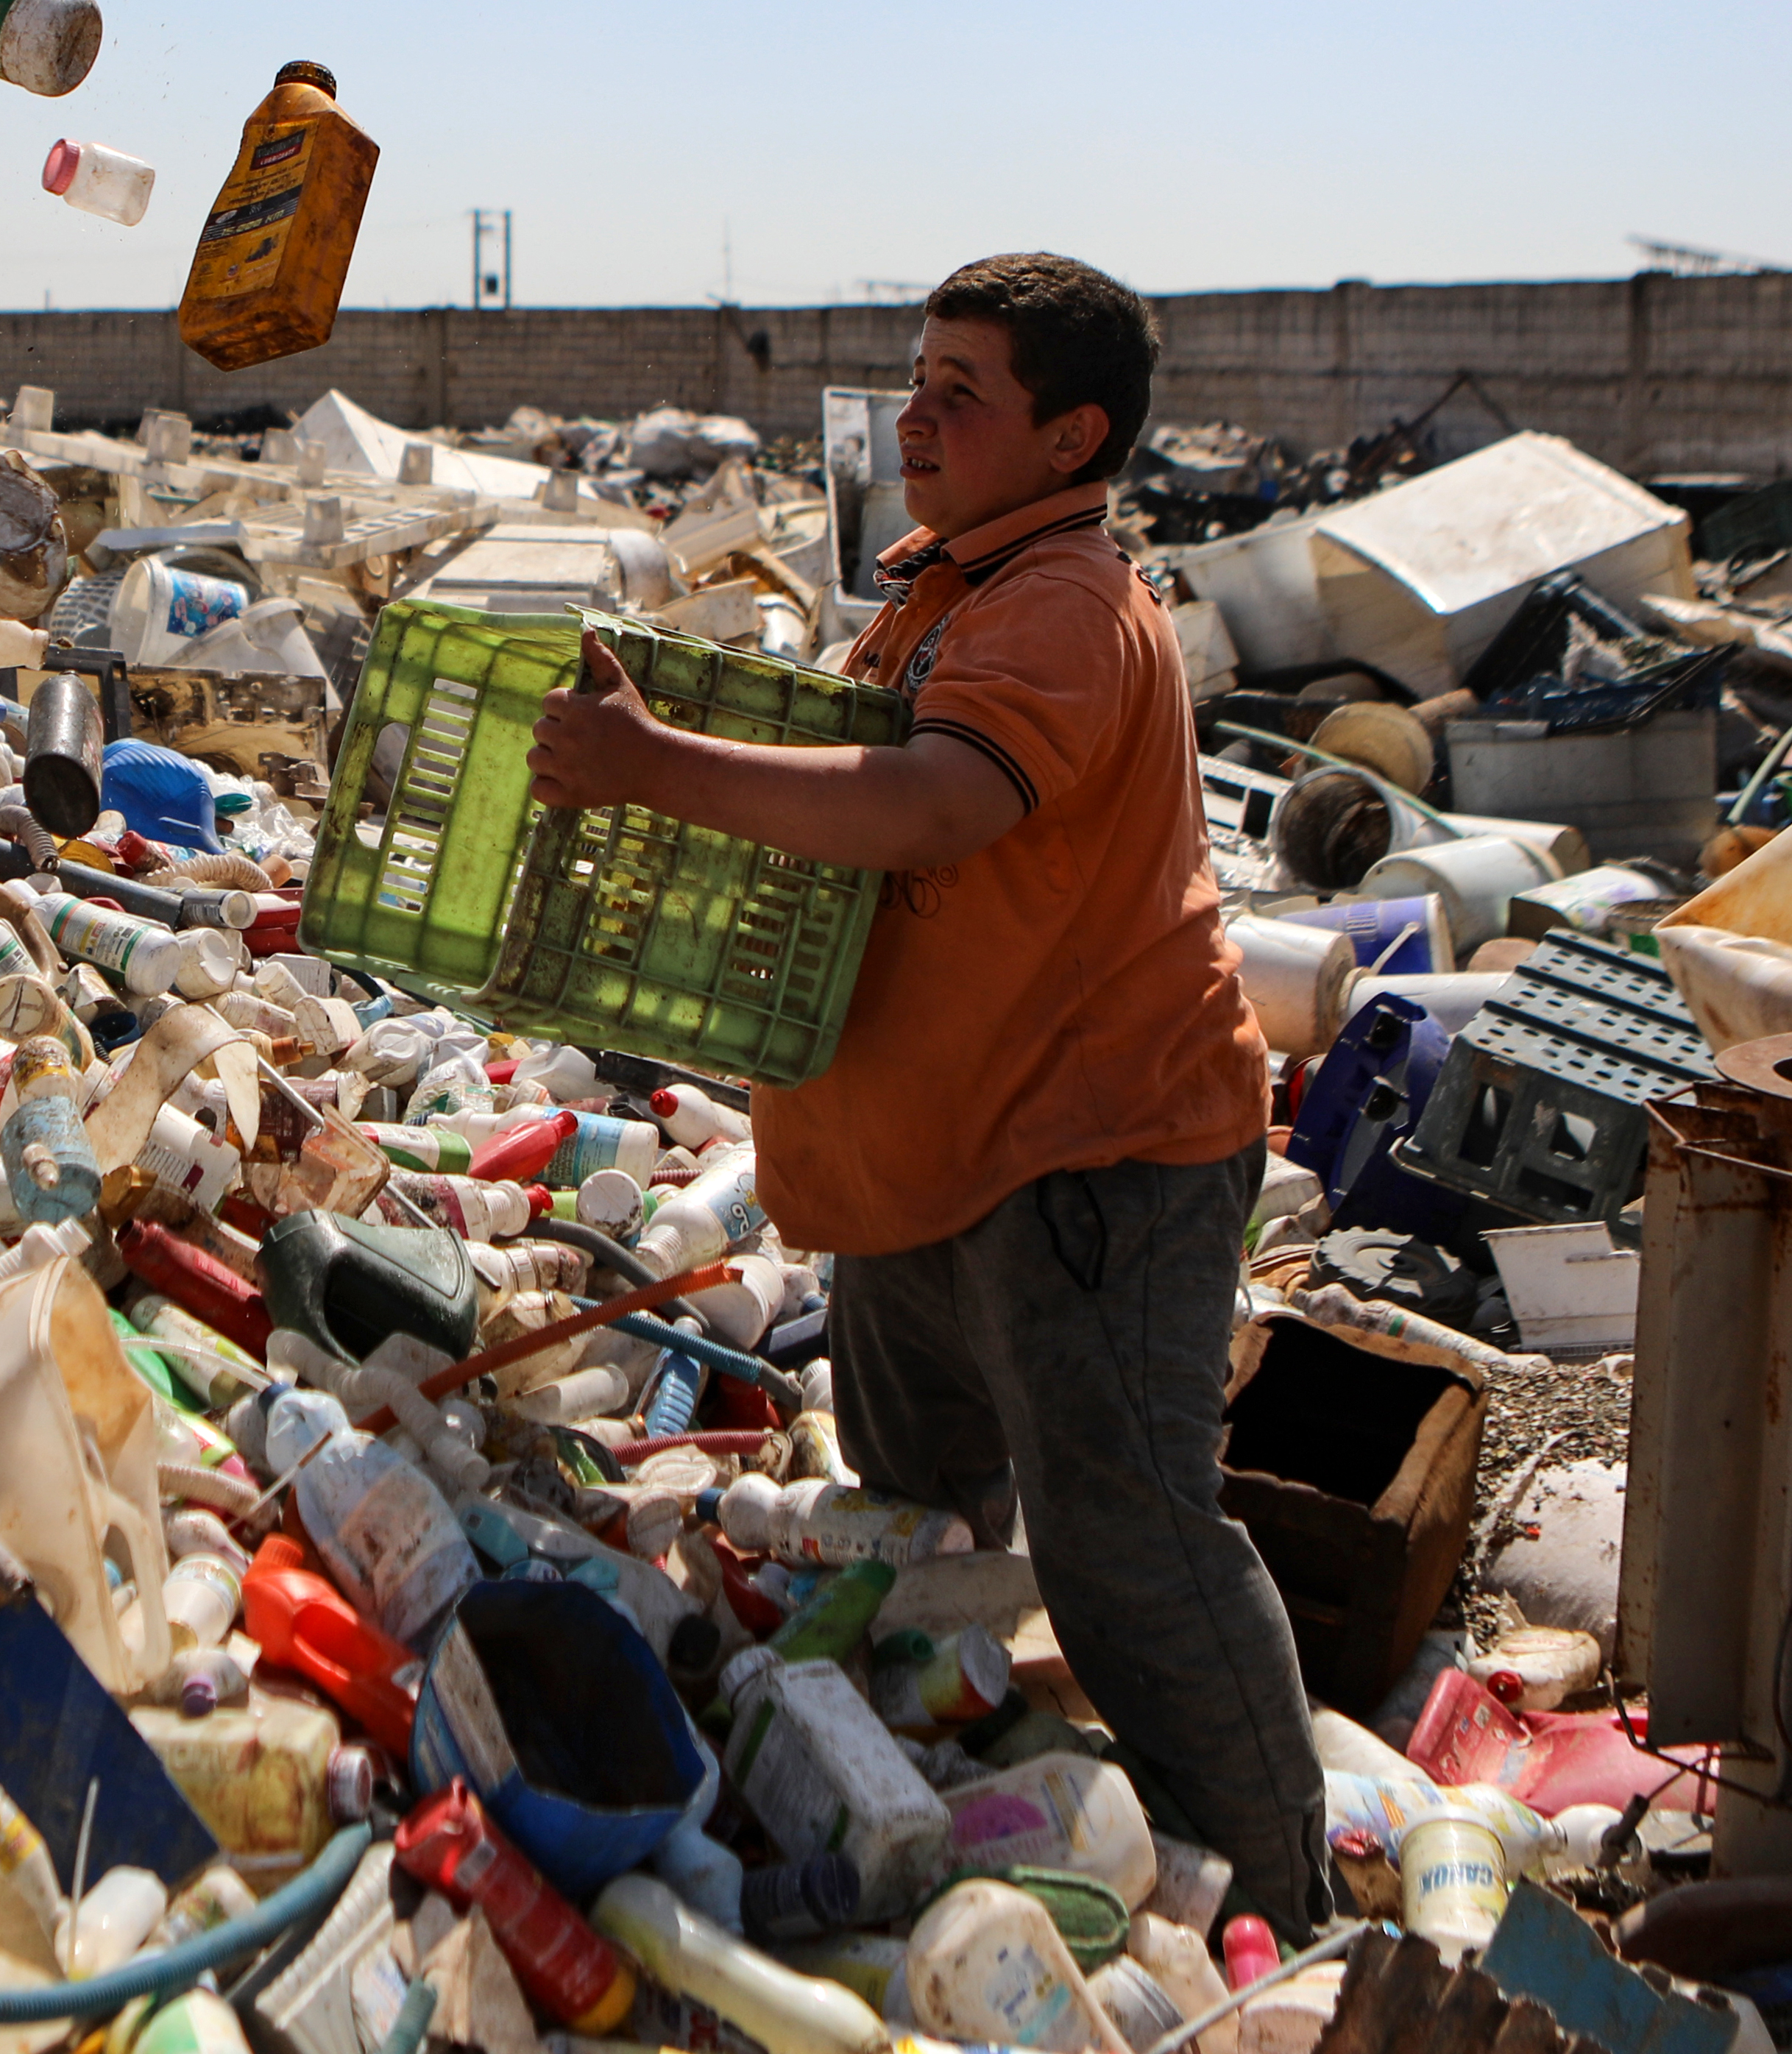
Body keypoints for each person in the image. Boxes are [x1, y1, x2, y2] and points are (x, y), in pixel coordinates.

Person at [528, 251, 1328, 1932]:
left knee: (1129, 1553)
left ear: (1071, 435)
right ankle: (949, 1814)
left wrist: (651, 766)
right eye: (913, 379)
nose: (915, 416)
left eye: (960, 391)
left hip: (1088, 1156)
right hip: (936, 1157)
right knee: (910, 1524)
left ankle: (1283, 1921)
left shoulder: (1059, 601)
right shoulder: (947, 588)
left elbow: (931, 804)